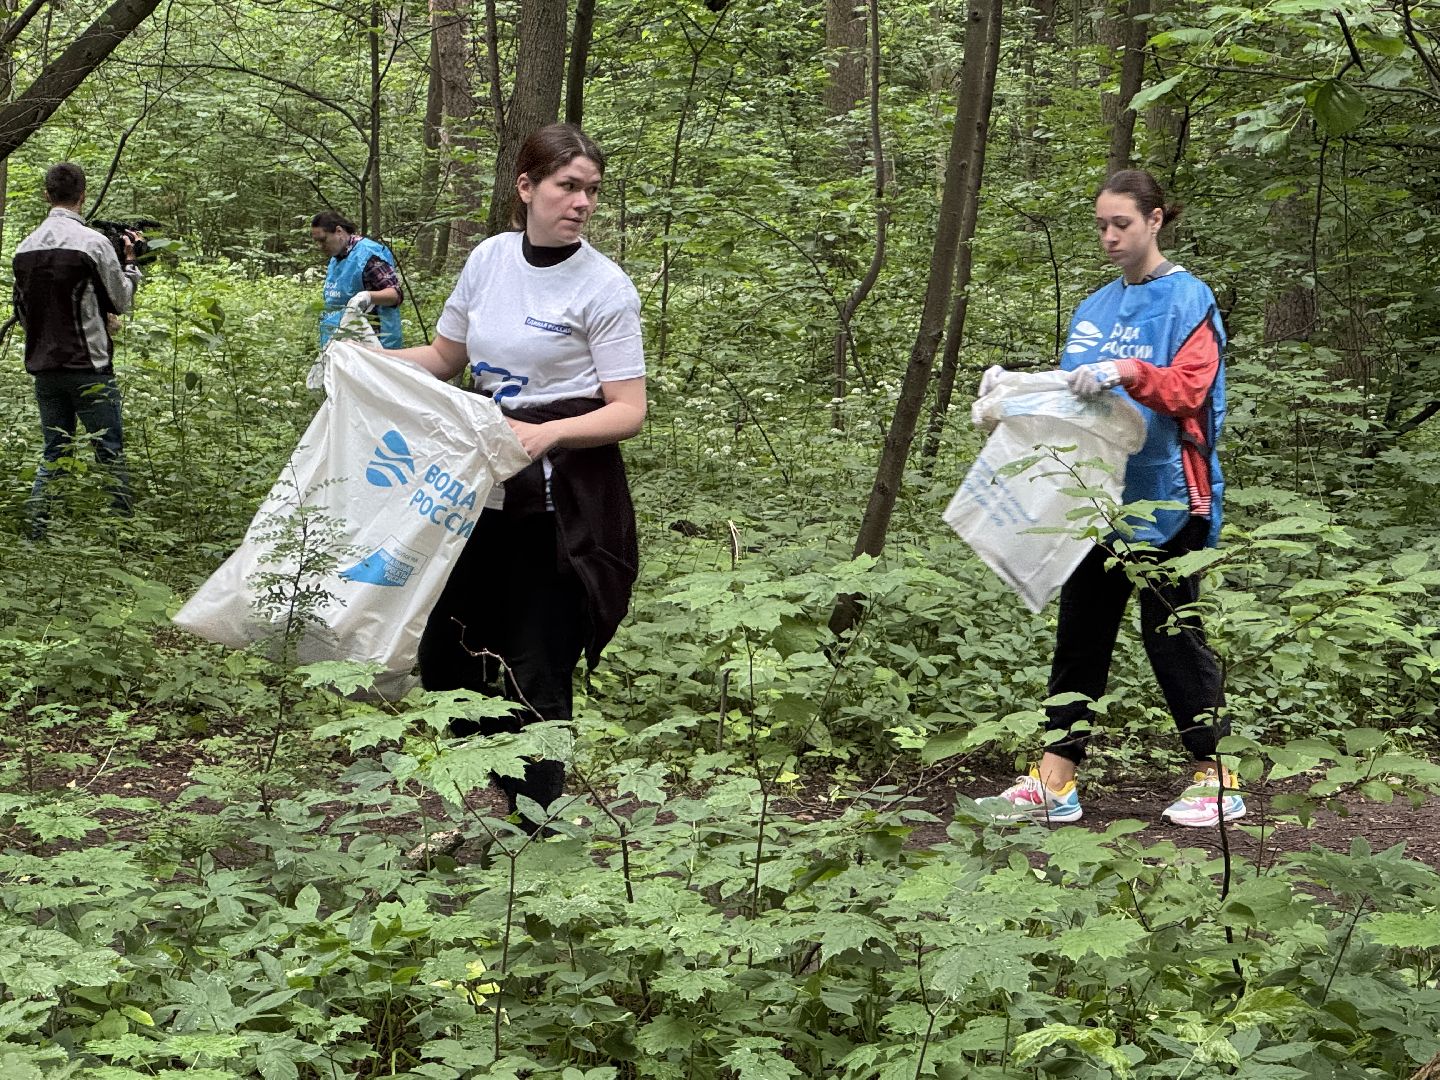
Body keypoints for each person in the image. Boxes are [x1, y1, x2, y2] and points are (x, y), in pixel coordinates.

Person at [386, 124, 646, 833]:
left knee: (538, 668)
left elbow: (629, 410)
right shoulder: (489, 261)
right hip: (480, 495)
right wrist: (363, 364)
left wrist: (551, 430)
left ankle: (537, 825)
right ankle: (497, 792)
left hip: (562, 510)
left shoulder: (605, 287)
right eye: (568, 186)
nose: (583, 202)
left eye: (592, 190)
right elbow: (445, 357)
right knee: (447, 650)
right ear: (526, 188)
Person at [976, 169, 1241, 829]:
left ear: (1155, 220)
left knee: (1172, 636)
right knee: (1081, 635)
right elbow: (1074, 399)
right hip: (1094, 495)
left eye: (1121, 222)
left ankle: (1216, 777)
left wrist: (1128, 370)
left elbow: (1189, 391)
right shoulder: (1093, 308)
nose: (1109, 236)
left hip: (1170, 497)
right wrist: (1014, 398)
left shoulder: (1189, 299)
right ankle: (1055, 781)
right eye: (1101, 224)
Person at [13, 162, 142, 539]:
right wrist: (132, 267)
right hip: (89, 365)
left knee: (55, 451)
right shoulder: (93, 243)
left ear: (46, 195)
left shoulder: (25, 247)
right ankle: (122, 533)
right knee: (109, 450)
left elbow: (24, 310)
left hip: (44, 365)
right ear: (82, 195)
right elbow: (121, 299)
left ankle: (37, 533)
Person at [311, 211, 403, 349]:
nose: (320, 246)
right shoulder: (337, 258)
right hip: (342, 340)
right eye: (317, 242)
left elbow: (395, 295)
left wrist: (366, 297)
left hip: (372, 341)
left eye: (323, 240)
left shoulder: (367, 254)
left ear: (339, 231)